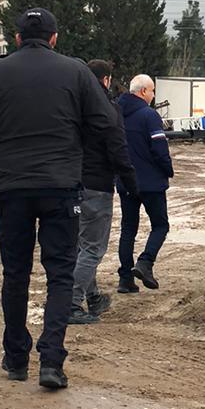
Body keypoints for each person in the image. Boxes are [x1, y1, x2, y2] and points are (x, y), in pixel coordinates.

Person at [0, 7, 124, 390]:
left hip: (11, 188)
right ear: (54, 38)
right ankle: (51, 361)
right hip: (61, 187)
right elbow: (106, 121)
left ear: (16, 38)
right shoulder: (76, 71)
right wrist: (71, 144)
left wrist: (1, 143)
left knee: (15, 274)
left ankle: (16, 358)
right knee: (60, 275)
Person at [69, 59, 138, 325]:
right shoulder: (107, 108)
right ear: (106, 80)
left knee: (81, 245)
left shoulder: (73, 106)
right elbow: (118, 148)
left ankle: (94, 296)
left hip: (72, 183)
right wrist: (131, 183)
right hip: (97, 186)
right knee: (93, 249)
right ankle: (72, 304)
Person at [116, 74, 173, 293]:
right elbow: (160, 150)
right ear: (142, 92)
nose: (153, 95)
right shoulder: (149, 115)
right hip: (151, 183)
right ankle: (145, 262)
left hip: (125, 182)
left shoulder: (117, 113)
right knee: (160, 225)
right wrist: (168, 170)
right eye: (151, 91)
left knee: (128, 229)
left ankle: (125, 279)